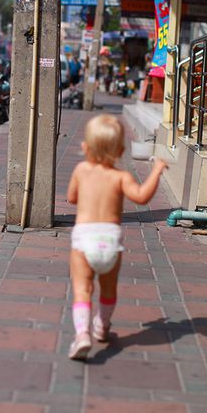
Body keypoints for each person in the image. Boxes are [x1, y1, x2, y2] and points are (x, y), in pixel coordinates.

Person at [66, 114, 168, 360]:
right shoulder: (121, 177)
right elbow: (142, 197)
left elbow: (71, 198)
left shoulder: (81, 170)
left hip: (84, 240)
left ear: (86, 147)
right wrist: (156, 170)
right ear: (121, 150)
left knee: (83, 289)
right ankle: (102, 327)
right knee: (108, 289)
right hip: (110, 242)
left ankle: (82, 334)